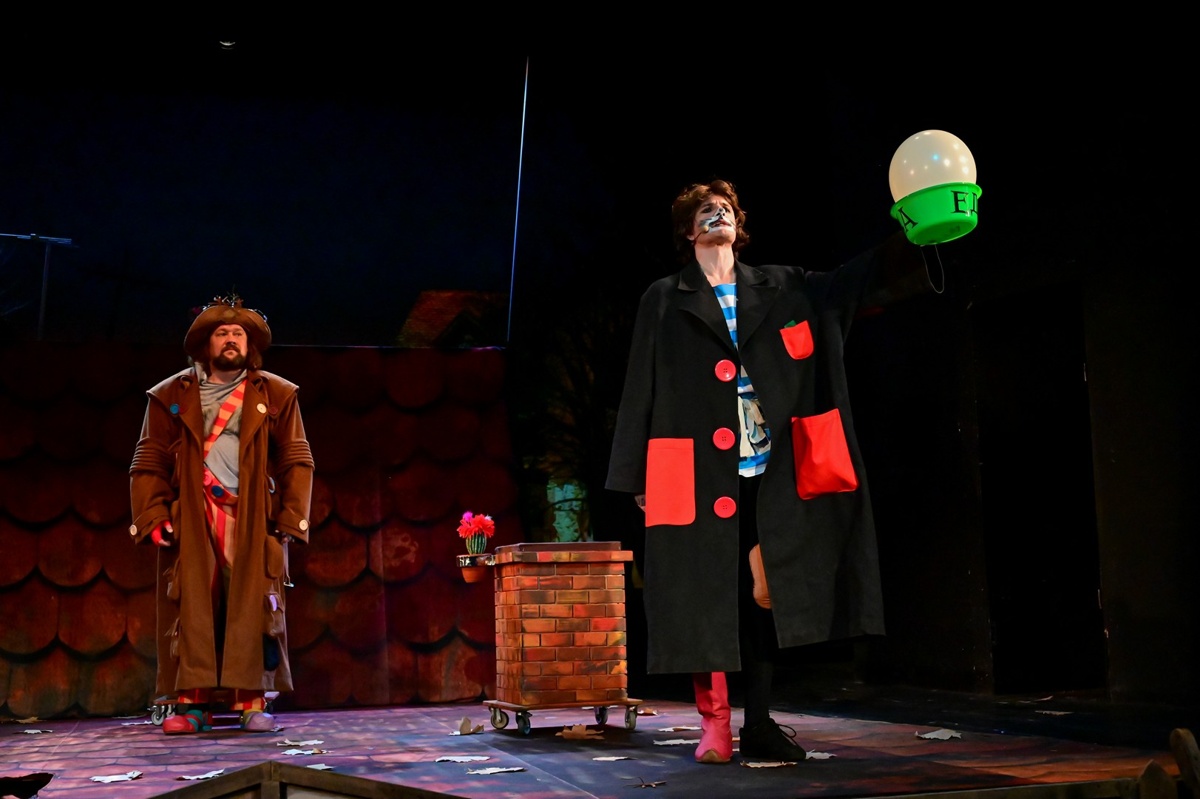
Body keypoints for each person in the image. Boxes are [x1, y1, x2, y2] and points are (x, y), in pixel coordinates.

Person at [606, 179, 930, 763]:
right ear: (688, 231)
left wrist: (918, 230)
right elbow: (639, 384)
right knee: (705, 595)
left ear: (738, 225)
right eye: (705, 210)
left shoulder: (783, 284)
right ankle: (714, 723)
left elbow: (854, 282)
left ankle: (758, 722)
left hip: (770, 468)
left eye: (725, 208)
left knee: (762, 596)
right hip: (695, 471)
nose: (717, 214)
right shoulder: (665, 296)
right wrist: (635, 475)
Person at [129, 293, 315, 734]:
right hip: (194, 515)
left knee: (251, 606)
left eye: (238, 334)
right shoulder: (170, 394)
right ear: (205, 343)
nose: (231, 340)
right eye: (222, 333)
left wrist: (292, 518)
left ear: (250, 345)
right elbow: (149, 458)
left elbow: (295, 458)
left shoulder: (277, 393)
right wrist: (152, 514)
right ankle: (193, 705)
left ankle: (251, 702)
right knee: (194, 606)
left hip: (251, 516)